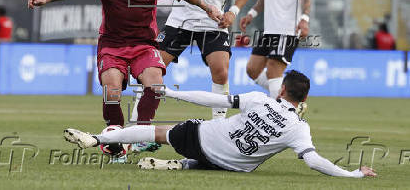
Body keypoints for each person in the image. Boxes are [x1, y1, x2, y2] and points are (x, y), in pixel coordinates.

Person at [28, 0, 221, 155]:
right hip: (112, 45)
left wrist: (209, 8)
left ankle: (141, 133)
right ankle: (114, 135)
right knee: (111, 90)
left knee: (155, 85)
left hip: (144, 44)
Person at [63, 70, 377, 177]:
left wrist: (172, 92)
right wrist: (351, 173)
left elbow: (215, 100)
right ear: (303, 98)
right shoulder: (299, 128)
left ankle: (99, 138)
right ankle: (184, 166)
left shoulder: (259, 98)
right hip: (233, 165)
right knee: (240, 163)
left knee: (159, 132)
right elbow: (313, 161)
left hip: (200, 138)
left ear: (282, 89)